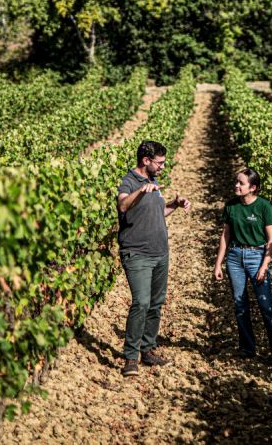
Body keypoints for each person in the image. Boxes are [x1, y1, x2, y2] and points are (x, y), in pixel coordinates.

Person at [117, 139, 190, 376]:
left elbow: (156, 212)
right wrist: (140, 191)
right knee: (141, 302)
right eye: (159, 163)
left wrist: (174, 205)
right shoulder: (129, 181)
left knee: (156, 303)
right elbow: (123, 206)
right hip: (137, 253)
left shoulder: (153, 180)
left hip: (160, 252)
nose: (162, 167)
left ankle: (147, 349)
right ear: (145, 160)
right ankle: (130, 357)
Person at [212, 167, 272, 362]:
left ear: (253, 187)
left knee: (266, 305)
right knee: (240, 305)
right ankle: (247, 348)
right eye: (237, 181)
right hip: (235, 257)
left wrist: (264, 266)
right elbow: (226, 235)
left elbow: (271, 240)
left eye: (241, 183)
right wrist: (218, 263)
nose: (236, 185)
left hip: (257, 257)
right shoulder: (231, 206)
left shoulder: (264, 207)